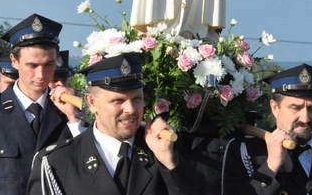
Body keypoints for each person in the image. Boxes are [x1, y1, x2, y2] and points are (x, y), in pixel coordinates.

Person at [0, 14, 82, 195]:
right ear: (14, 60)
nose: (41, 75)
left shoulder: (71, 113)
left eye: (49, 64)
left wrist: (74, 119)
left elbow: (87, 174)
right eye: (32, 65)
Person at [27, 52, 199, 195]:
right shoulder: (56, 161)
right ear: (92, 103)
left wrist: (168, 161)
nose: (130, 109)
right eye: (118, 101)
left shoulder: (164, 152)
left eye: (137, 99)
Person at [223, 64, 312, 195]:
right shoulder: (246, 152)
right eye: (295, 108)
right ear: (274, 108)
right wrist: (271, 166)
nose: (305, 118)